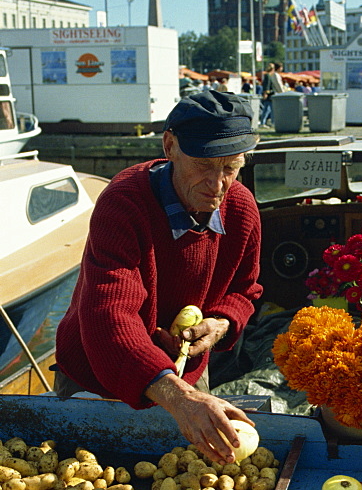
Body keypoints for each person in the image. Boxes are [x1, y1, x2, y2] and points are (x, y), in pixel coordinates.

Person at [54, 91, 262, 465]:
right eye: (203, 165)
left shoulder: (242, 208)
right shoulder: (124, 203)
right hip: (98, 374)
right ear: (170, 146)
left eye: (231, 168)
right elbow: (108, 317)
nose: (217, 185)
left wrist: (219, 324)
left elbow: (244, 290)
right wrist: (180, 398)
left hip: (185, 377)